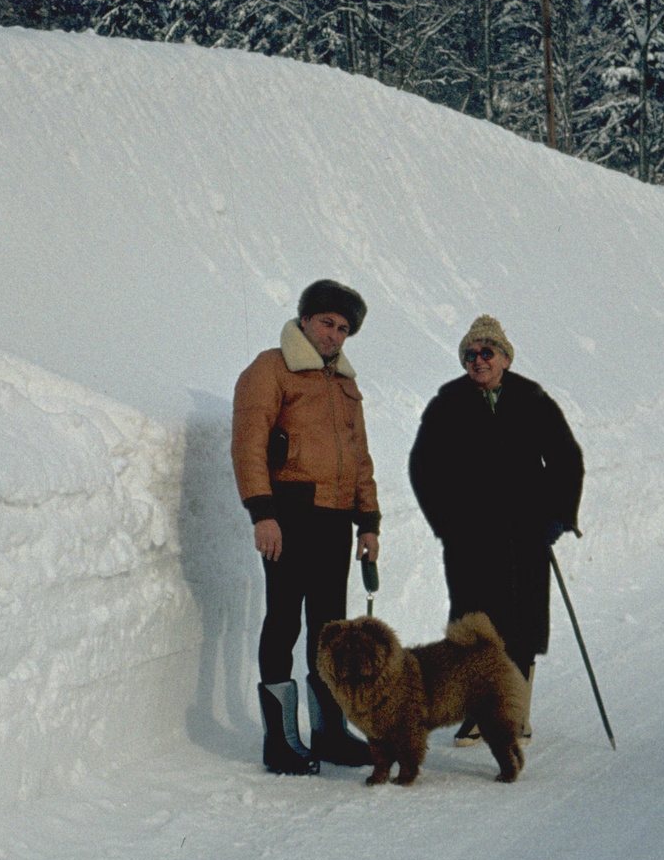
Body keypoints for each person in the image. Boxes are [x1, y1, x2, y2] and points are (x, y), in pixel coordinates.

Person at [407, 315, 584, 747]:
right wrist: (445, 522)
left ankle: (515, 711)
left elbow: (566, 458)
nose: (478, 360)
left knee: (521, 620)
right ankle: (474, 711)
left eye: (487, 352)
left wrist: (558, 517)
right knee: (471, 622)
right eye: (470, 354)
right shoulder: (447, 403)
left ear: (504, 357)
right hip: (468, 537)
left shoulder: (531, 399)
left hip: (525, 532)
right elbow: (422, 467)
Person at [232, 279, 381, 775]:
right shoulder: (270, 369)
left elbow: (359, 457)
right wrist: (262, 513)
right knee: (283, 623)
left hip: (336, 521)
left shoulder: (344, 384)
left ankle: (330, 732)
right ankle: (281, 742)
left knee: (329, 630)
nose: (334, 336)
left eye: (343, 329)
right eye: (326, 323)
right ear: (304, 319)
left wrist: (368, 523)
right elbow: (249, 444)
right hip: (289, 516)